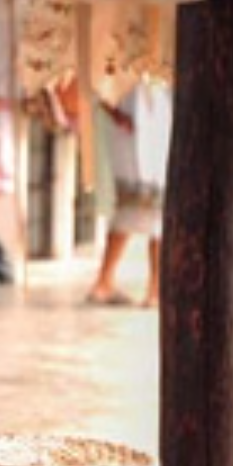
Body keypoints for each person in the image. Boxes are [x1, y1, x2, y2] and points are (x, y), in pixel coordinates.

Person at [85, 77, 172, 308]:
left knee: (155, 212)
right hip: (130, 131)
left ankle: (151, 286)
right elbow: (96, 87)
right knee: (137, 210)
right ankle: (116, 283)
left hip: (157, 129)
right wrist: (117, 115)